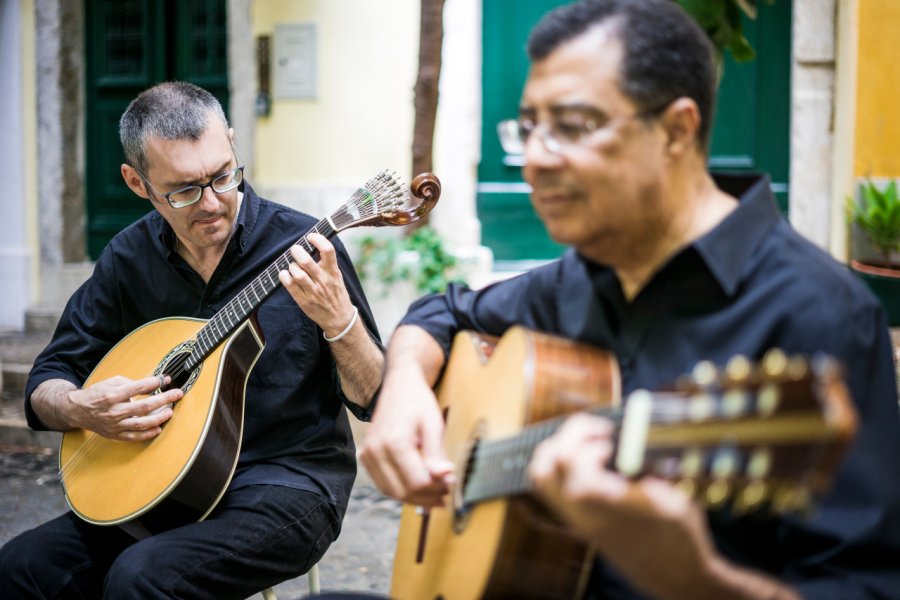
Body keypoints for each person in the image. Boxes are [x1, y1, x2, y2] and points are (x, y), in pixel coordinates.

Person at [359, 1, 900, 598]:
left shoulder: (820, 315)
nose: (535, 158)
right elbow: (444, 310)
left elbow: (863, 586)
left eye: (573, 125)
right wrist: (404, 384)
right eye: (529, 127)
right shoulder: (583, 274)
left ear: (676, 130)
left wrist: (698, 580)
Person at [0, 81, 385, 599]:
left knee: (142, 577)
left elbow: (375, 398)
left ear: (230, 142)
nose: (212, 203)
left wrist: (340, 322)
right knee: (20, 568)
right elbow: (46, 383)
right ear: (137, 182)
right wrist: (78, 407)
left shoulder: (304, 248)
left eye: (223, 176)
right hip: (160, 486)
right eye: (183, 190)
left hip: (289, 483)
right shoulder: (128, 259)